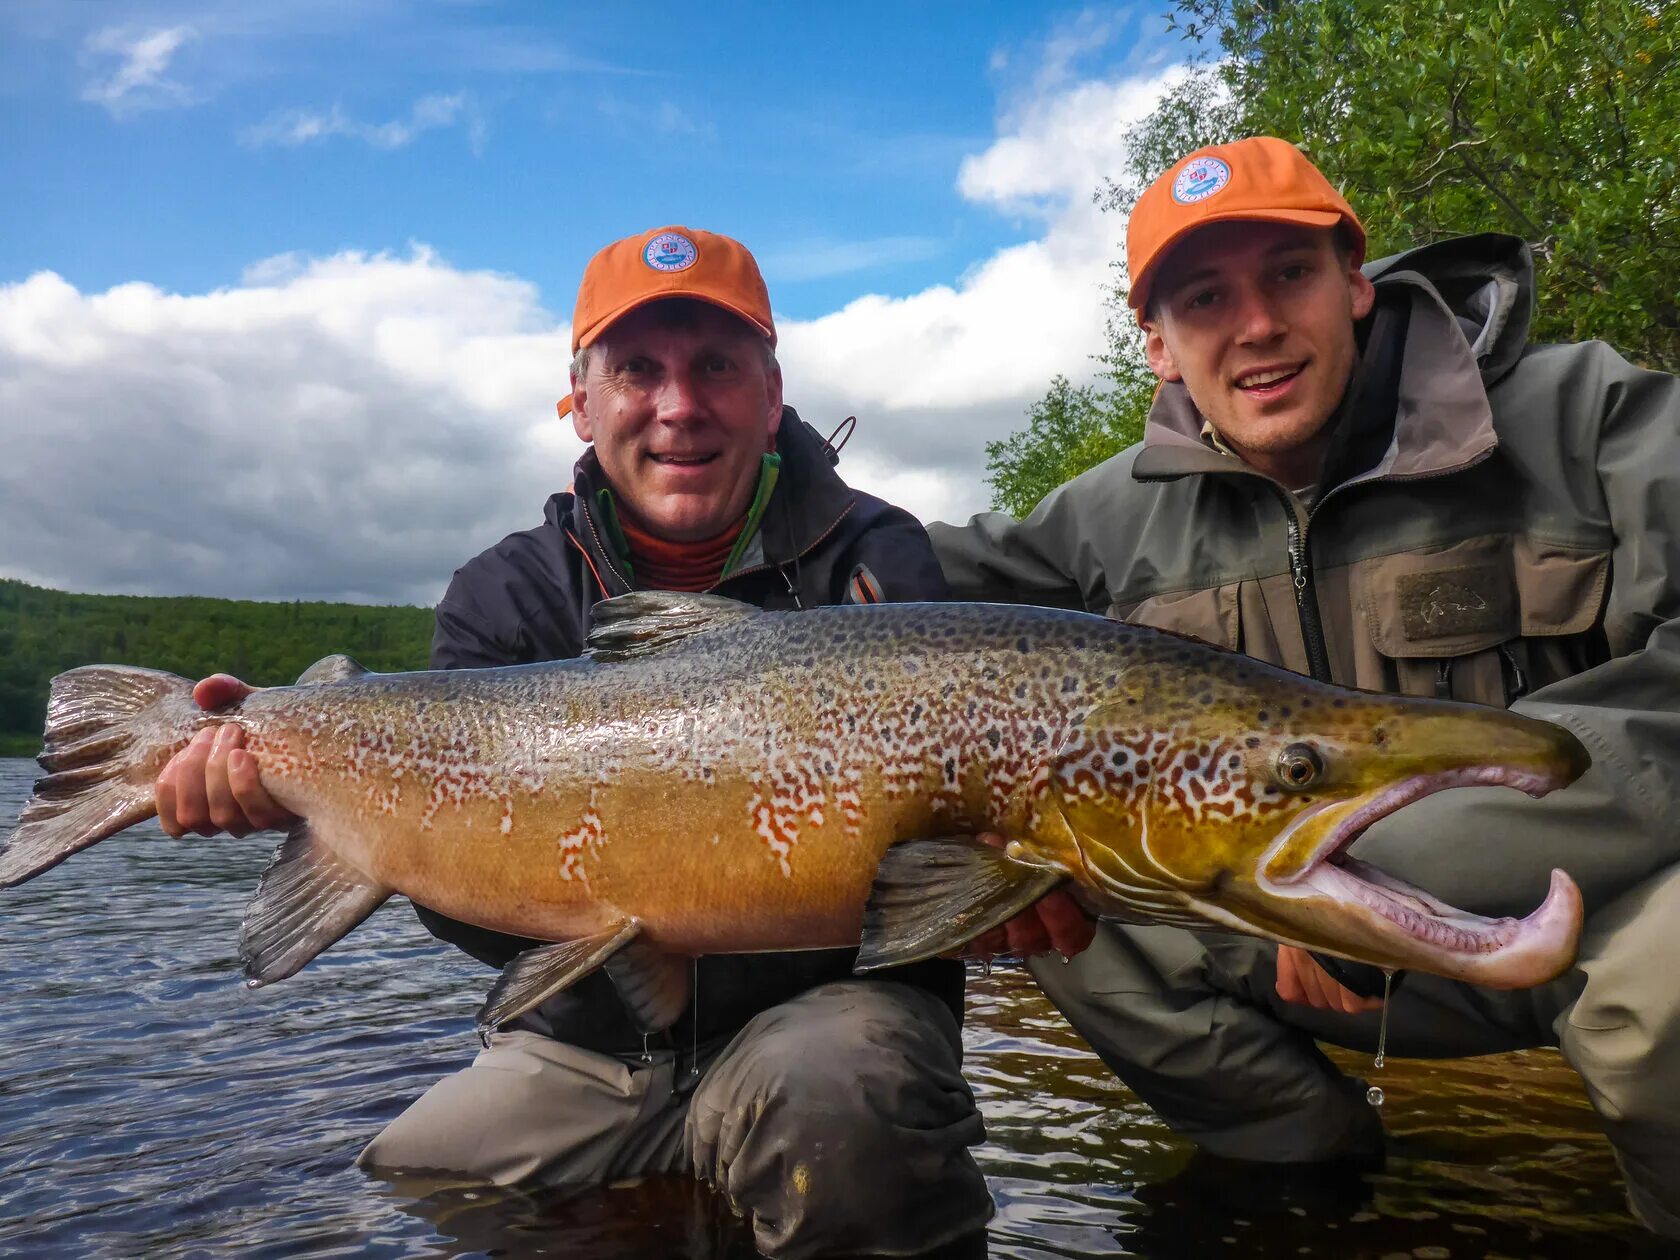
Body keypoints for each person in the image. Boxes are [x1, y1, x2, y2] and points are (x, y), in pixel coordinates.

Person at [154, 225, 1089, 1259]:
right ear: (582, 396)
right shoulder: (503, 593)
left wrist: (1005, 894)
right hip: (589, 1044)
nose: (679, 407)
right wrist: (295, 795)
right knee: (416, 1176)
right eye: (638, 370)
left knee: (846, 1118)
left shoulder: (873, 560)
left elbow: (954, 848)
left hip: (827, 1027)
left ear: (772, 393)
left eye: (717, 368)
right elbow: (470, 924)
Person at [929, 137, 1680, 1241]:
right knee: (1054, 901)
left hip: (1570, 922)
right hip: (1294, 936)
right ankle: (1300, 1184)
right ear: (1159, 346)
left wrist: (1384, 864)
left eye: (1288, 275)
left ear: (1355, 280)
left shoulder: (1588, 418)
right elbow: (879, 581)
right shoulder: (1104, 519)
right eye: (1203, 298)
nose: (1257, 326)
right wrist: (752, 458)